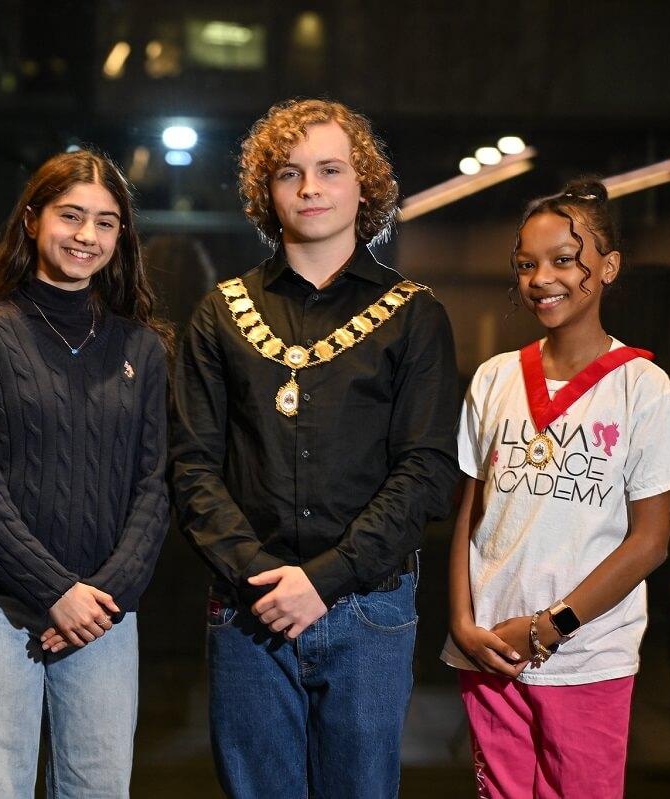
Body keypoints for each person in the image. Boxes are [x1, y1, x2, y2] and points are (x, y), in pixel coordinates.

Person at [170, 98, 461, 798]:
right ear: (265, 193)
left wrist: (322, 579)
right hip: (250, 609)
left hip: (369, 606)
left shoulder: (415, 314)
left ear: (366, 186)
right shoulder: (220, 311)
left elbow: (425, 470)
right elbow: (192, 466)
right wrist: (265, 578)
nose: (310, 188)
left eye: (330, 170)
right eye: (289, 173)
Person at [441, 179, 670, 798]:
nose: (541, 278)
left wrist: (549, 627)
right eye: (526, 264)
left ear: (608, 268)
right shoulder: (495, 377)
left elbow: (650, 543)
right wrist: (460, 620)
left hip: (585, 656)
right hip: (489, 650)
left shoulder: (642, 386)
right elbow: (469, 515)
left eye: (564, 260)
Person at [0, 149, 170, 798]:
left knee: (99, 787)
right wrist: (51, 589)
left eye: (105, 221)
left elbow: (154, 485)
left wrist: (105, 594)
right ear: (33, 219)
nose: (86, 236)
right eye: (71, 216)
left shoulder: (142, 348)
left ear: (122, 236)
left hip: (103, 610)